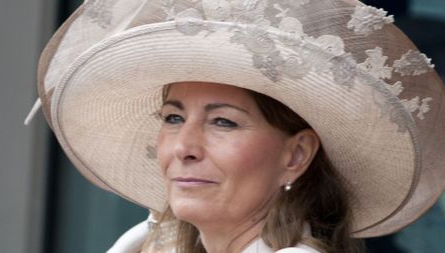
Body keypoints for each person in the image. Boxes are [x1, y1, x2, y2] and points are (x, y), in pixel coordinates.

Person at [24, 0, 445, 252]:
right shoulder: (142, 244)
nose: (184, 147)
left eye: (223, 122)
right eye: (173, 118)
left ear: (296, 155)